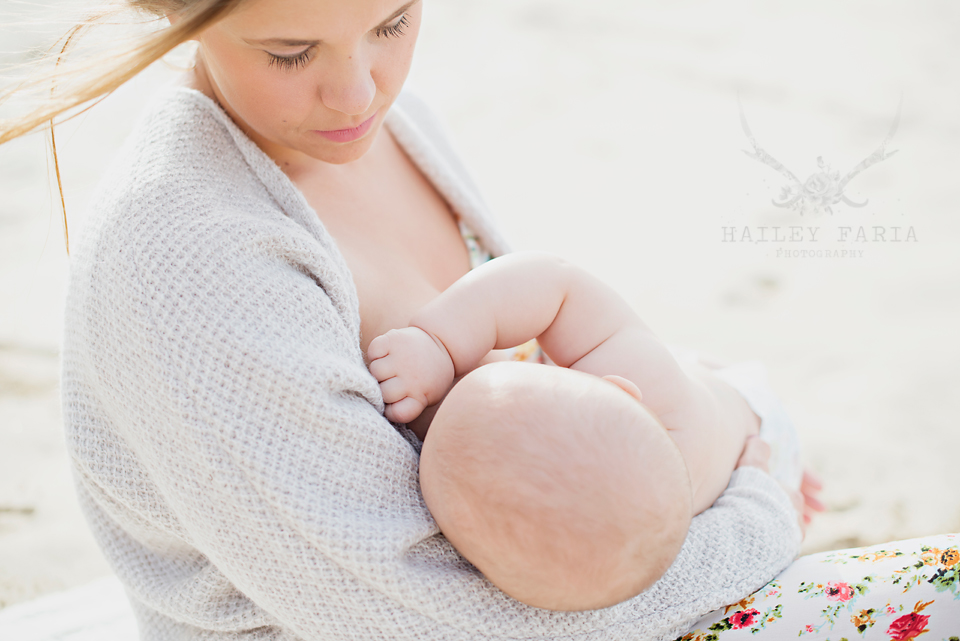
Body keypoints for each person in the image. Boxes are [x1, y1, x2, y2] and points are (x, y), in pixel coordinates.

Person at [1, 0, 956, 639]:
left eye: (392, 21)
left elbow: (538, 406)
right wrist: (751, 498)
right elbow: (419, 614)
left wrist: (704, 420)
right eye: (290, 52)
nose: (358, 91)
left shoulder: (387, 123)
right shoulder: (191, 258)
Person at [366, 250, 793, 609]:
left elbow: (556, 284)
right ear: (620, 391)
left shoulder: (610, 534)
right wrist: (439, 342)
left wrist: (441, 342)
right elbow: (557, 281)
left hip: (724, 423)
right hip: (756, 435)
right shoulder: (642, 386)